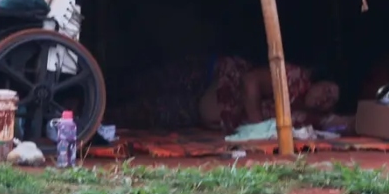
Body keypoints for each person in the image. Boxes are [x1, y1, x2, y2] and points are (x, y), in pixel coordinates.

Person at [105, 54, 339, 133]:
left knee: (141, 113)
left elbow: (341, 124)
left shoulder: (304, 115)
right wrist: (257, 128)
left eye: (330, 101)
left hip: (200, 109)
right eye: (328, 90)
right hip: (205, 77)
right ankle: (87, 89)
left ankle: (84, 112)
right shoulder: (295, 78)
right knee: (141, 84)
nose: (325, 98)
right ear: (319, 79)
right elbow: (250, 81)